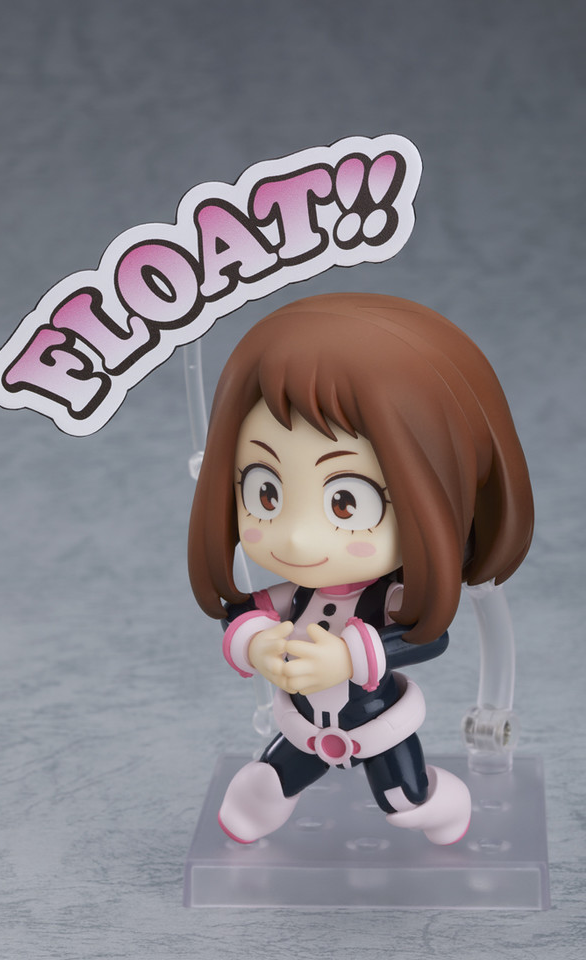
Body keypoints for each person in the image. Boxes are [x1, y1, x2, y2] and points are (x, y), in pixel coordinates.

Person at [188, 293, 533, 845]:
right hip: (303, 727)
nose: (297, 536)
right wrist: (254, 644)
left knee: (404, 798)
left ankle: (444, 807)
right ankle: (260, 803)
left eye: (346, 502)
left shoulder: (391, 598)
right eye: (266, 493)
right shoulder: (295, 594)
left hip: (376, 724)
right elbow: (243, 613)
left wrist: (347, 657)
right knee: (272, 779)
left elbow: (427, 637)